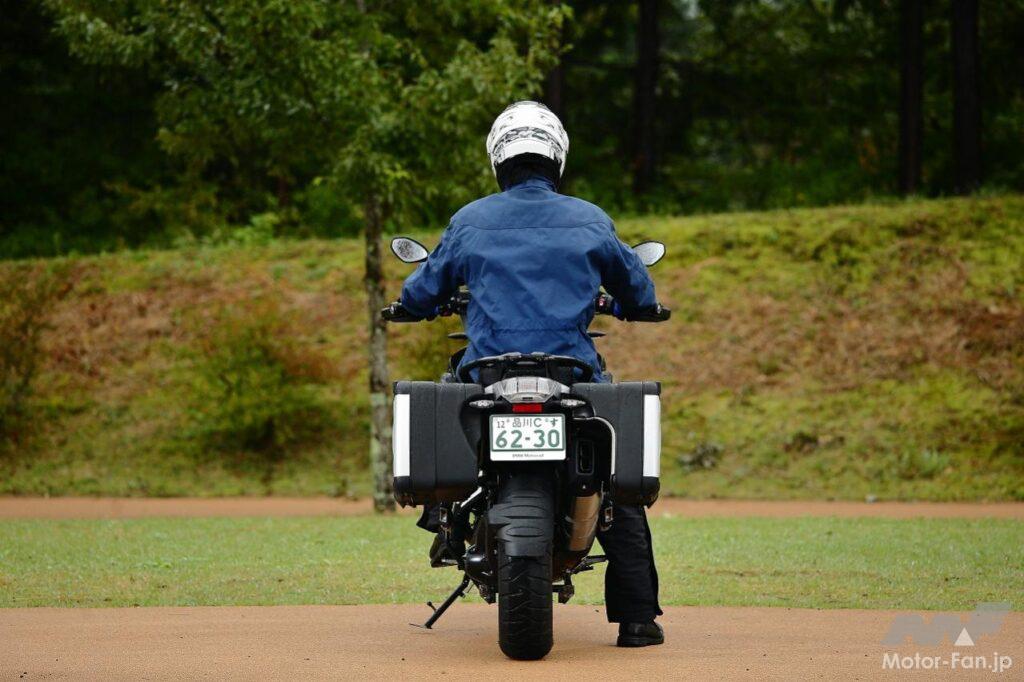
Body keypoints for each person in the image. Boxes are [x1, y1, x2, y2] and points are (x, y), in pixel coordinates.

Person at [398, 101, 664, 648]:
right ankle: (637, 618)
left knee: (451, 398)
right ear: (557, 158)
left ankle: (441, 520)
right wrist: (634, 305)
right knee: (616, 491)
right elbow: (639, 290)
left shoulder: (470, 219)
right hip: (571, 374)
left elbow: (423, 289)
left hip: (488, 371)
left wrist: (409, 305)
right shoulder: (590, 218)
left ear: (498, 158)